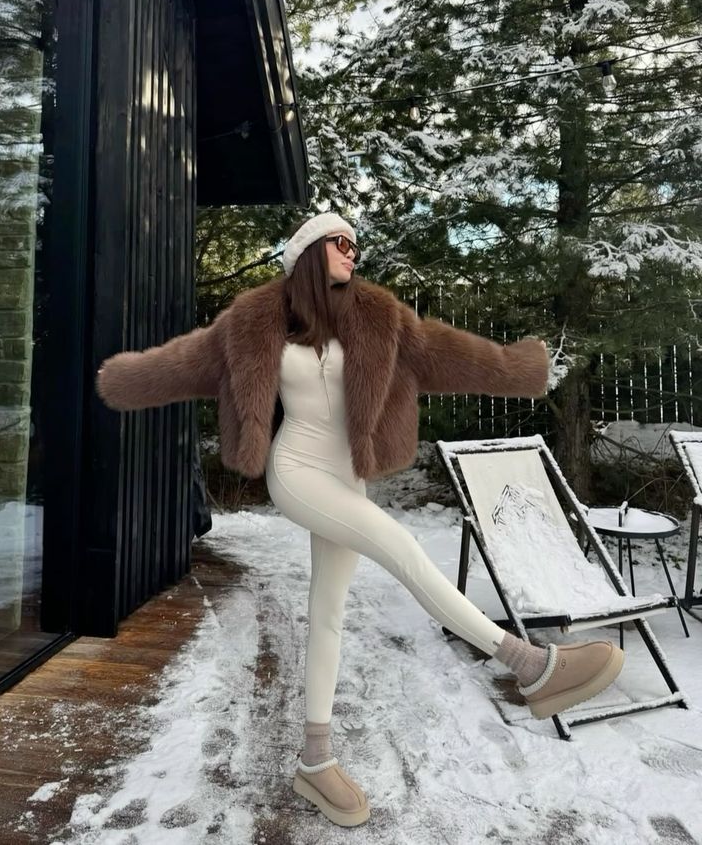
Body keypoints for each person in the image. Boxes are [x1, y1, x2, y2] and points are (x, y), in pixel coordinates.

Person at [96, 212, 624, 828]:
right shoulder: (252, 324)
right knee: (400, 546)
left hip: (347, 476)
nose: (354, 254)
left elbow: (448, 356)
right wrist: (118, 380)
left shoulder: (379, 318)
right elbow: (179, 365)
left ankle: (314, 764)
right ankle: (529, 666)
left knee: (330, 614)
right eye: (342, 244)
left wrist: (519, 368)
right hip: (297, 472)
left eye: (355, 245)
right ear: (309, 254)